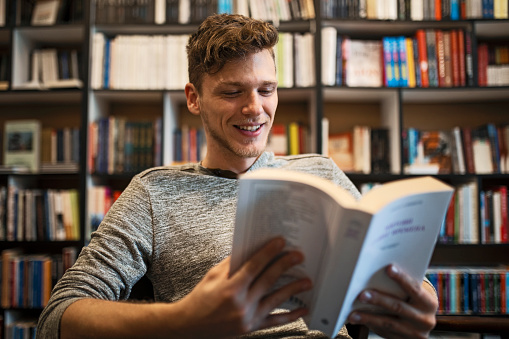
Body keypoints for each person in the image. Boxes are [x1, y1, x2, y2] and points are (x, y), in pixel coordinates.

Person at [37, 14, 438, 339]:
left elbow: (395, 276)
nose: (255, 109)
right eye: (233, 92)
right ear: (194, 98)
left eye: (267, 90)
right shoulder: (153, 192)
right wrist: (182, 320)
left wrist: (415, 301)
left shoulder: (319, 172)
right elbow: (57, 318)